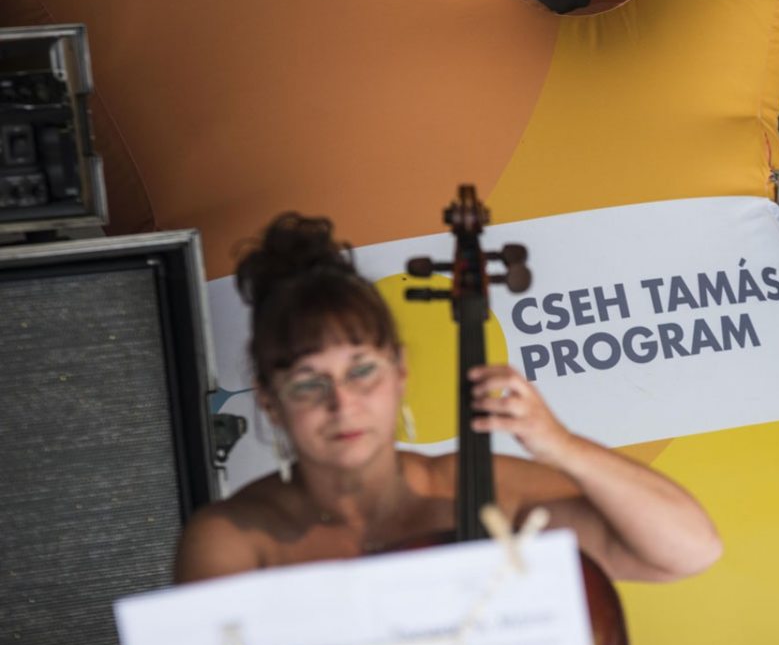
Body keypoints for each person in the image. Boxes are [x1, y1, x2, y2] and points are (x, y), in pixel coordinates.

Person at [175, 212, 723, 584]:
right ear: (270, 402)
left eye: (362, 371)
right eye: (308, 383)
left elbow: (690, 551)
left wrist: (560, 446)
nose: (342, 403)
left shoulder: (485, 491)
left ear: (400, 374)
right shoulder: (233, 539)